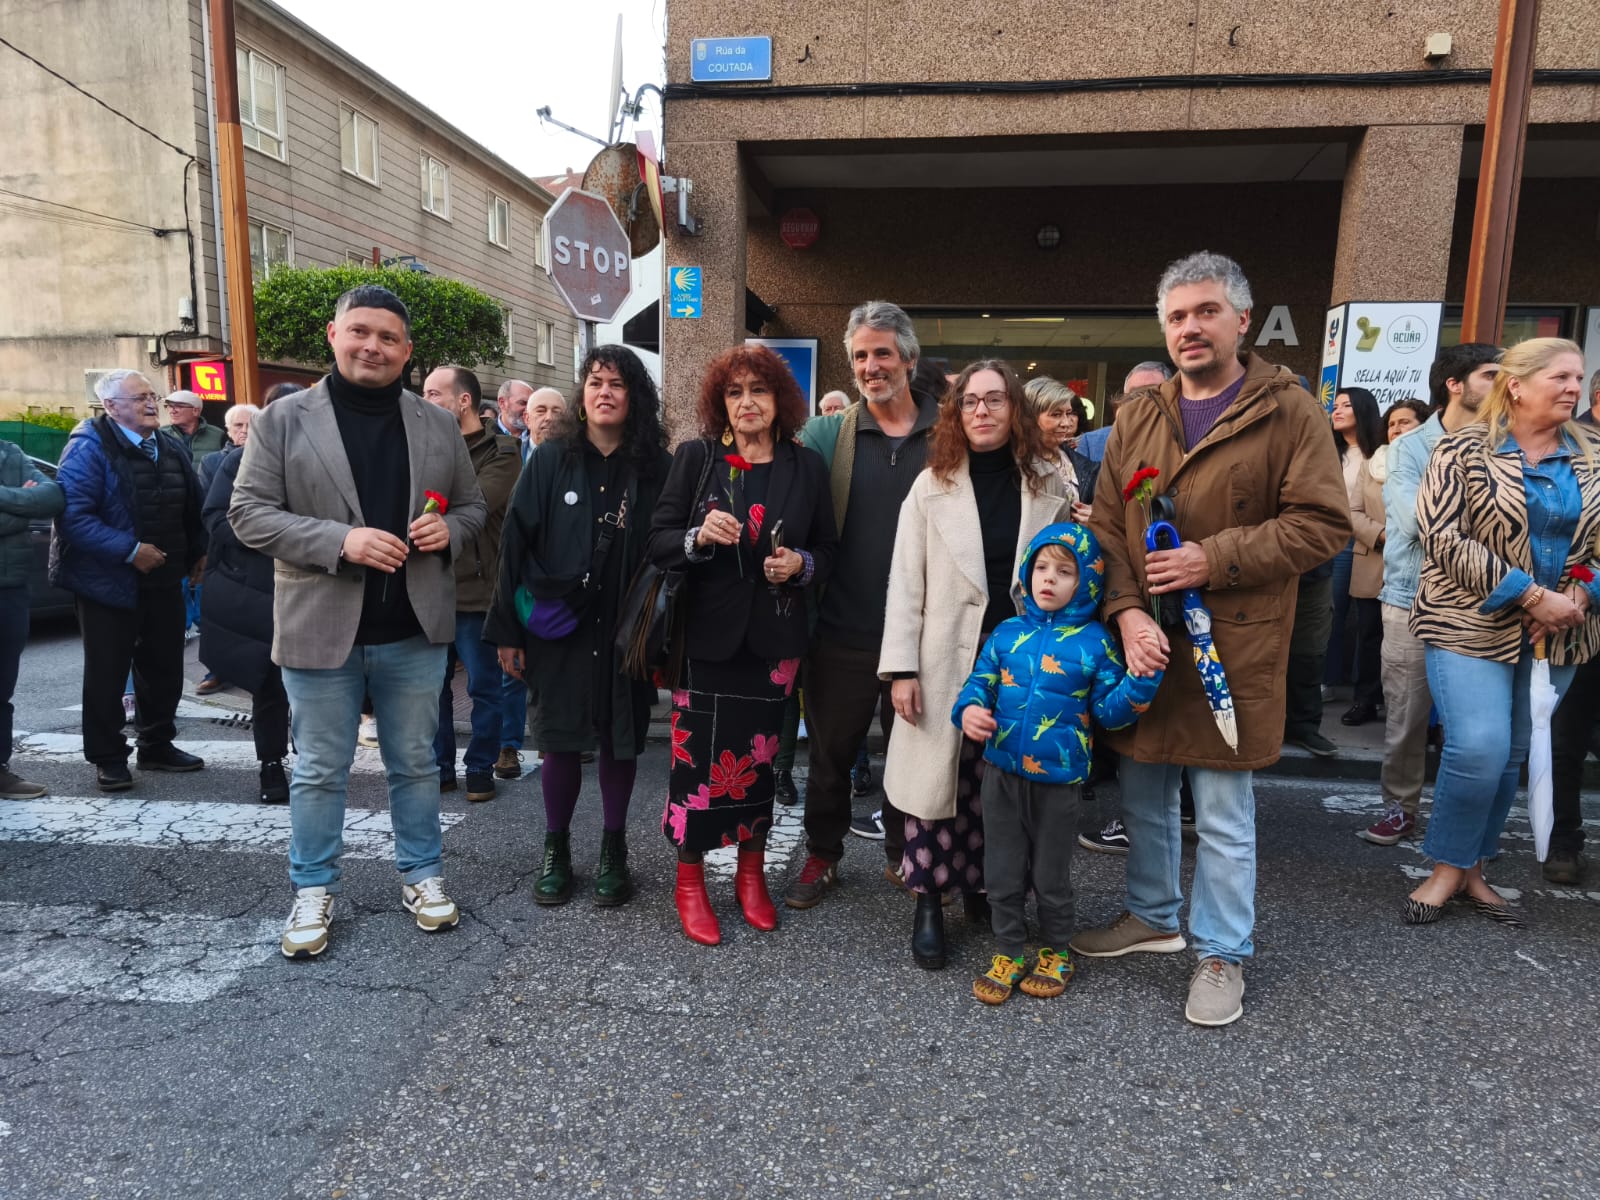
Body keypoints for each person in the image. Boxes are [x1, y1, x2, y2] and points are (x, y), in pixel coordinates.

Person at [1072, 251, 1349, 1027]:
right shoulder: (1139, 413)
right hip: (1150, 638)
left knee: (1223, 806)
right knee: (1145, 789)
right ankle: (1153, 915)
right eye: (1176, 316)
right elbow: (1105, 527)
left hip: (1239, 641)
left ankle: (1223, 950)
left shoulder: (1289, 410)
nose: (1189, 328)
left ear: (1242, 321)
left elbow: (1322, 525)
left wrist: (1212, 556)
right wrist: (1124, 612)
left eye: (1204, 312)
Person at [230, 285, 488, 958]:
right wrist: (339, 541)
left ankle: (422, 875)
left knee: (415, 764)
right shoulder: (284, 419)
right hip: (320, 625)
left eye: (388, 338)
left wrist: (448, 530)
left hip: (413, 626)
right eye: (360, 332)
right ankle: (313, 886)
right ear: (333, 334)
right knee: (318, 769)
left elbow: (472, 507)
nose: (372, 346)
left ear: (407, 351)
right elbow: (248, 513)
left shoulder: (434, 423)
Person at [878, 358, 1072, 968]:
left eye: (994, 400)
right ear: (956, 413)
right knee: (940, 787)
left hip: (1024, 662)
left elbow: (1064, 572)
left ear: (1015, 408)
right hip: (944, 656)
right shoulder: (931, 483)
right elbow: (904, 582)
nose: (982, 411)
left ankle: (989, 891)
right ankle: (931, 901)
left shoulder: (1048, 482)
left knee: (1003, 787)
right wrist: (901, 669)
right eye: (970, 402)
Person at [1402, 338, 1600, 925]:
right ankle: (1445, 869)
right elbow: (1441, 536)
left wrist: (1583, 591)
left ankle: (1473, 869)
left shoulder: (1593, 457)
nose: (1574, 388)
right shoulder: (1461, 449)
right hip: (1469, 619)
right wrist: (1532, 595)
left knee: (1513, 752)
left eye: (1579, 377)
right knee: (1480, 747)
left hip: (1561, 630)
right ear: (1516, 384)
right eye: (1561, 376)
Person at [647, 344, 837, 944]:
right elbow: (658, 540)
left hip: (774, 642)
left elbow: (828, 551)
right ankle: (689, 882)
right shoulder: (697, 457)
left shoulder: (805, 467)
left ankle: (750, 877)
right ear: (720, 404)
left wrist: (800, 564)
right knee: (696, 768)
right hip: (705, 641)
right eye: (735, 392)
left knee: (757, 766)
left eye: (759, 390)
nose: (748, 402)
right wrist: (697, 537)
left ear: (780, 400)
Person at [487, 345, 670, 909]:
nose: (605, 392)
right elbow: (514, 544)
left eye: (617, 383)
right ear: (582, 394)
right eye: (594, 383)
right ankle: (556, 848)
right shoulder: (550, 459)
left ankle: (614, 850)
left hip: (626, 630)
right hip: (558, 626)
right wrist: (508, 632)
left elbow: (669, 553)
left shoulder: (656, 465)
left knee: (621, 744)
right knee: (560, 742)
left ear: (635, 396)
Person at [953, 523, 1161, 1003]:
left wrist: (1141, 683)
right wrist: (967, 710)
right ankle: (1008, 949)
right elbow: (980, 681)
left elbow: (1109, 712)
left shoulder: (1096, 643)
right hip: (1001, 774)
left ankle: (1055, 950)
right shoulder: (1007, 632)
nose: (1049, 579)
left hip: (1059, 782)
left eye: (1064, 571)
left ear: (1086, 581)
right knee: (1001, 870)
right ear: (1026, 576)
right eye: (1041, 568)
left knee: (1051, 875)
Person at [787, 301, 942, 909]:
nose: (871, 366)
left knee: (915, 753)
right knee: (830, 753)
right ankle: (822, 854)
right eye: (859, 356)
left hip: (923, 634)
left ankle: (906, 854)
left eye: (882, 353)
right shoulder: (828, 433)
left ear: (908, 357)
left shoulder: (949, 430)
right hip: (842, 628)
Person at [1359, 343, 1503, 844]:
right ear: (1455, 385)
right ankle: (1400, 808)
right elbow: (1416, 521)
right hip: (1411, 597)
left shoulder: (1505, 441)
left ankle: (1464, 825)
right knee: (1406, 717)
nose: (1503, 384)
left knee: (1476, 727)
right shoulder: (1409, 446)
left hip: (1487, 600)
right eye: (1491, 375)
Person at [51, 370, 209, 793]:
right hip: (107, 581)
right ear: (111, 406)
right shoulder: (87, 447)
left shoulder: (167, 445)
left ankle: (157, 745)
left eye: (151, 395)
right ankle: (108, 757)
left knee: (164, 667)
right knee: (107, 672)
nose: (151, 403)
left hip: (164, 577)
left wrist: (199, 551)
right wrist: (129, 550)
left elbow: (190, 504)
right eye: (140, 397)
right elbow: (72, 518)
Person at [421, 365, 520, 803]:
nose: (425, 403)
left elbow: (475, 502)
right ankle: (441, 767)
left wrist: (430, 505)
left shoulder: (503, 451)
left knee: (483, 686)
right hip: (429, 586)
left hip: (479, 589)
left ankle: (479, 766)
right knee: (430, 688)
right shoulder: (422, 448)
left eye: (434, 394)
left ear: (464, 401)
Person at [198, 395, 291, 804]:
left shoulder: (331, 459)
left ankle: (316, 761)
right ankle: (271, 763)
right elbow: (217, 519)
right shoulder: (239, 461)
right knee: (269, 682)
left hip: (321, 587)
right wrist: (276, 538)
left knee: (321, 682)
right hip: (261, 586)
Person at [0, 435, 65, 800]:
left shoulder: (8, 451)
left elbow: (52, 497)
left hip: (10, 587)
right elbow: (32, 504)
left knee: (2, 686)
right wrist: (19, 511)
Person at [1328, 387, 1387, 725]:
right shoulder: (1327, 451)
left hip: (1368, 544)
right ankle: (1328, 682)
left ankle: (1364, 694)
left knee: (1369, 624)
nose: (1337, 411)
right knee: (1333, 615)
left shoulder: (1379, 456)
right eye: (1334, 406)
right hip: (1332, 544)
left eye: (1346, 406)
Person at [196, 402, 261, 695]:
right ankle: (218, 671)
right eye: (238, 425)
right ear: (227, 430)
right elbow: (213, 511)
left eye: (251, 424)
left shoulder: (274, 458)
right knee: (228, 629)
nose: (245, 431)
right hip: (230, 559)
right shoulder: (214, 462)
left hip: (266, 567)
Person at [493, 378, 535, 776]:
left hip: (537, 570)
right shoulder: (491, 444)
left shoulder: (552, 448)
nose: (527, 412)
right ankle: (507, 746)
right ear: (503, 402)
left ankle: (566, 731)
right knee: (508, 665)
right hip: (496, 565)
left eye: (535, 407)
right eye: (523, 404)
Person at [1024, 376, 1098, 514]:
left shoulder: (1083, 465)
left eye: (1069, 413)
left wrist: (1095, 519)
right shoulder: (1013, 463)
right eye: (1056, 414)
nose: (1066, 423)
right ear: (1030, 417)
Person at [1078, 362, 1171, 464]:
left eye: (1152, 393)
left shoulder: (1185, 440)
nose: (1142, 400)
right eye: (1134, 394)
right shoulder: (1092, 443)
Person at [160, 389, 227, 468]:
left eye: (178, 406)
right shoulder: (161, 434)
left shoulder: (217, 435)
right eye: (169, 406)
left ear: (195, 411)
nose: (172, 411)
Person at [526, 387, 566, 457]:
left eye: (556, 412)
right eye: (541, 411)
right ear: (527, 419)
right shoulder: (510, 455)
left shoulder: (578, 458)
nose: (549, 418)